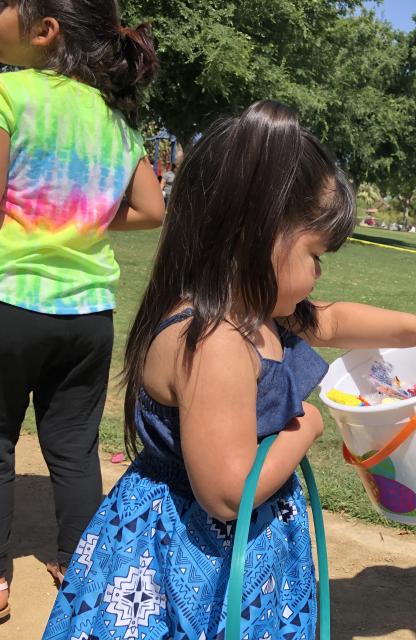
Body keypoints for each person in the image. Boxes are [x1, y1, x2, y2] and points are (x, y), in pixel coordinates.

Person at [42, 100, 416, 639]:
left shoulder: (256, 312)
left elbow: (333, 323)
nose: (318, 272)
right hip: (188, 555)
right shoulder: (215, 341)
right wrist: (305, 427)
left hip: (241, 543)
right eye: (316, 254)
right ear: (253, 233)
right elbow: (227, 493)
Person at [0, 0, 162, 623]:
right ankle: (79, 565)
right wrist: (83, 216)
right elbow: (152, 210)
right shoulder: (117, 121)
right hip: (89, 315)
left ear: (47, 32)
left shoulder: (11, 96)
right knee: (72, 446)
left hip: (11, 301)